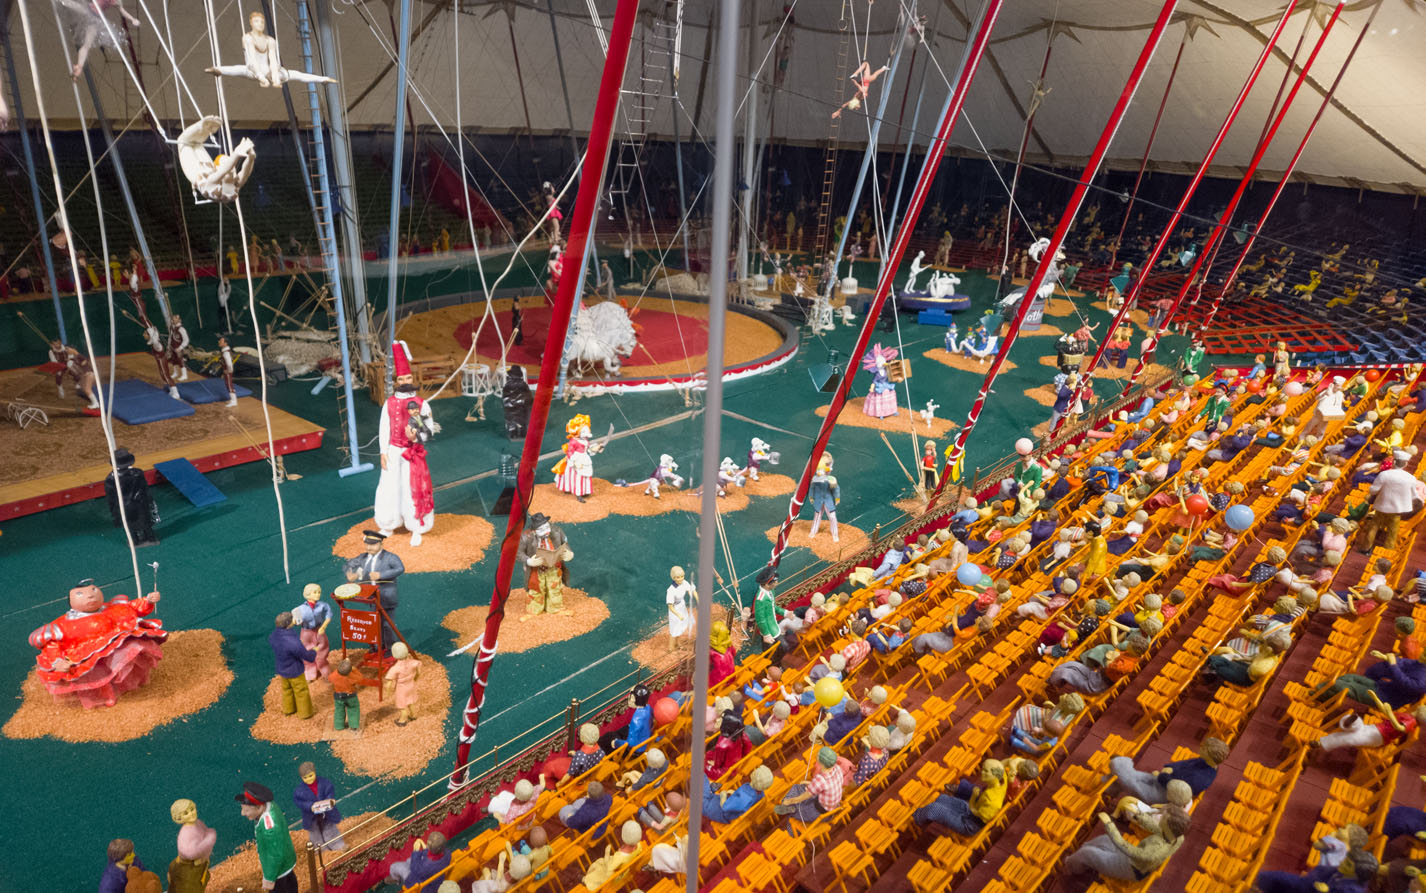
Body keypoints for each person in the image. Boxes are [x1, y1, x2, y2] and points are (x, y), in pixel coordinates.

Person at [28, 578, 166, 708]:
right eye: (80, 594)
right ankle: (105, 696)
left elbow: (133, 607)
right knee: (95, 676)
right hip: (84, 657)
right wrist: (57, 661)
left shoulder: (114, 608)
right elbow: (52, 644)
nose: (90, 596)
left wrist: (148, 601)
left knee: (131, 651)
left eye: (93, 590)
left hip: (114, 647)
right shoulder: (62, 626)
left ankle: (131, 682)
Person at [374, 342, 437, 545]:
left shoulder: (422, 404)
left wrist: (415, 438)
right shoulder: (389, 403)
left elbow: (429, 431)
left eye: (408, 378)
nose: (405, 382)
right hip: (393, 451)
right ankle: (388, 523)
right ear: (396, 381)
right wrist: (383, 451)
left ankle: (417, 527)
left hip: (412, 453)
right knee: (388, 486)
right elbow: (384, 428)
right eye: (401, 379)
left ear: (412, 378)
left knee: (413, 488)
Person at [205, 11, 336, 85]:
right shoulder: (248, 38)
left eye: (262, 22)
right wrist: (261, 77)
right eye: (257, 21)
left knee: (295, 74)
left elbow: (273, 60)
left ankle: (322, 79)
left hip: (268, 70)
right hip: (252, 70)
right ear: (251, 23)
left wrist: (274, 76)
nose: (260, 24)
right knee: (238, 69)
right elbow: (251, 61)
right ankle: (218, 70)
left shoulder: (270, 40)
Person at [1064, 805, 1191, 881]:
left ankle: (1070, 866)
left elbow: (1128, 849)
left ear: (1168, 826)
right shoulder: (1177, 836)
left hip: (1130, 868)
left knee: (1087, 853)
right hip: (1134, 861)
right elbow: (1157, 828)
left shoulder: (1156, 851)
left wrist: (1109, 825)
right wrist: (1140, 816)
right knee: (1104, 839)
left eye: (1162, 818)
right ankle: (1082, 859)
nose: (1159, 818)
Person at [1111, 737, 1229, 802]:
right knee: (1135, 776)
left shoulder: (1201, 779)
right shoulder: (1204, 761)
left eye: (1204, 749)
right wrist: (1170, 768)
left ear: (1210, 756)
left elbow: (1175, 788)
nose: (1200, 748)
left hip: (1165, 795)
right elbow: (1182, 764)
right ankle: (1110, 781)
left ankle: (1118, 763)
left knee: (1130, 782)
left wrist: (1164, 775)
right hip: (1163, 780)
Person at [343, 529, 406, 650]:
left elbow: (400, 569)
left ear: (381, 544)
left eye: (372, 544)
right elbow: (349, 565)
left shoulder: (390, 557)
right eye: (367, 544)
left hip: (386, 596)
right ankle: (378, 646)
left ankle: (390, 648)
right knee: (374, 622)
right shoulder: (363, 557)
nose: (369, 547)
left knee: (387, 624)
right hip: (371, 597)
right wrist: (351, 574)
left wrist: (381, 575)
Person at [913, 758, 1008, 835]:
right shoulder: (1002, 780)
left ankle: (914, 818)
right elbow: (1004, 763)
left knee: (934, 809)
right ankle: (924, 816)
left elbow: (976, 812)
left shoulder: (990, 800)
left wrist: (973, 797)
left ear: (995, 774)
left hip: (971, 825)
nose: (982, 772)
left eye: (986, 771)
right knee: (942, 798)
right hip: (972, 813)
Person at [235, 782, 298, 893]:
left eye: (246, 810)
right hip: (286, 862)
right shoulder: (270, 806)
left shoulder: (269, 827)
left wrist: (269, 878)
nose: (242, 813)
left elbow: (275, 855)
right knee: (290, 884)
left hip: (278, 871)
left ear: (259, 807)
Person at [516, 513, 574, 618]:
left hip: (554, 566)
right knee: (535, 590)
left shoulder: (556, 531)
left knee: (555, 588)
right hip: (536, 570)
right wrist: (528, 561)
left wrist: (569, 553)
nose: (547, 531)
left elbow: (565, 544)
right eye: (542, 529)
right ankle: (534, 611)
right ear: (534, 531)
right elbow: (518, 553)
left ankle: (555, 608)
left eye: (547, 526)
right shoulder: (525, 537)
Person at [1361, 461, 1422, 552]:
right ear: (1405, 464)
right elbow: (1414, 495)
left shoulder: (1384, 474)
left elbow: (1373, 490)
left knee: (1374, 526)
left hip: (1382, 506)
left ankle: (1366, 548)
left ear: (1393, 464)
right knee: (1392, 531)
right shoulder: (1410, 478)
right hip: (1397, 509)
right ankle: (1388, 550)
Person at [104, 447, 159, 547]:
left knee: (130, 526)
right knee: (145, 523)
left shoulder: (110, 478)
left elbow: (111, 496)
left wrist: (114, 509)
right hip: (139, 504)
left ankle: (135, 541)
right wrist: (149, 501)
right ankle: (150, 538)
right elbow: (144, 489)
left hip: (124, 507)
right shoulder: (137, 473)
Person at [776, 747, 845, 822]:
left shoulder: (820, 779)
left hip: (820, 813)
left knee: (796, 795)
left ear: (821, 762)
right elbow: (828, 785)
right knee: (802, 787)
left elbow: (801, 798)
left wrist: (790, 801)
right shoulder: (838, 768)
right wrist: (810, 783)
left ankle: (791, 809)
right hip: (833, 807)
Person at [268, 612, 317, 719]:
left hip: (282, 668)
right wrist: (313, 652)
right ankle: (305, 713)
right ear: (289, 624)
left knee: (287, 690)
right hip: (294, 670)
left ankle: (288, 709)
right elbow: (304, 654)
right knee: (301, 691)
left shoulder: (273, 636)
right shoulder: (292, 642)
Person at [293, 761, 344, 852]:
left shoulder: (325, 783)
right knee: (315, 834)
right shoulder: (299, 791)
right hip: (311, 816)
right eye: (305, 777)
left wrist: (330, 800)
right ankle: (321, 850)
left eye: (310, 776)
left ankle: (337, 844)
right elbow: (299, 802)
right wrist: (310, 806)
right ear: (301, 778)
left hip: (327, 813)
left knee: (330, 829)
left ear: (315, 773)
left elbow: (330, 792)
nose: (309, 779)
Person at [168, 799, 217, 893]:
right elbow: (190, 853)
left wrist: (209, 837)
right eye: (186, 813)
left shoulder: (198, 823)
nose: (191, 814)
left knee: (200, 884)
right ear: (179, 818)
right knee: (190, 888)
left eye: (192, 809)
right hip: (189, 868)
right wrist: (209, 840)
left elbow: (206, 832)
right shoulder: (185, 833)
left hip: (200, 865)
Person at [553, 414, 601, 501]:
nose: (586, 434)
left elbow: (588, 449)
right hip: (577, 460)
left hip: (585, 459)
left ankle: (585, 490)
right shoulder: (574, 442)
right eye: (583, 432)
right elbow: (570, 452)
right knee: (578, 477)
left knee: (585, 475)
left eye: (587, 431)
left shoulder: (585, 440)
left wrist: (597, 448)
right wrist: (575, 462)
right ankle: (578, 494)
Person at [384, 642, 421, 725]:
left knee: (402, 705)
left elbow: (389, 683)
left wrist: (388, 692)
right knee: (410, 701)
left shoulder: (395, 668)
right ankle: (413, 715)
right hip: (411, 685)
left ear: (394, 655)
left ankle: (402, 720)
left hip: (401, 688)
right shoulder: (414, 662)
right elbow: (418, 673)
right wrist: (415, 679)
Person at [808, 454, 841, 542]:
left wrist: (837, 498)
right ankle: (813, 531)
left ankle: (835, 534)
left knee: (832, 517)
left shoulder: (831, 479)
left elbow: (836, 489)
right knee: (817, 517)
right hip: (818, 500)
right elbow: (812, 488)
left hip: (828, 501)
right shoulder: (815, 479)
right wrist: (811, 496)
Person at [666, 565, 695, 650]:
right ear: (674, 578)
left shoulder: (684, 583)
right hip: (675, 610)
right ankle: (671, 647)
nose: (681, 579)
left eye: (682, 576)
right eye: (678, 577)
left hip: (682, 606)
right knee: (674, 629)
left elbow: (690, 590)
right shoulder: (671, 590)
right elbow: (670, 606)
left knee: (680, 626)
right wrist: (678, 615)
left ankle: (678, 643)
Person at [501, 366, 533, 440]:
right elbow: (528, 395)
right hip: (519, 405)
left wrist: (512, 401)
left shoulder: (509, 384)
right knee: (520, 420)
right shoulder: (522, 384)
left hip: (515, 406)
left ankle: (516, 432)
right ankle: (519, 432)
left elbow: (505, 395)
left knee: (515, 419)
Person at [217, 335, 238, 406]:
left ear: (225, 343)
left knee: (229, 384)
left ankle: (234, 401)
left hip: (228, 371)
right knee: (228, 384)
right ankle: (232, 399)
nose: (219, 342)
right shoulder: (224, 351)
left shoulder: (226, 353)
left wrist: (229, 371)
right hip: (227, 370)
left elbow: (229, 364)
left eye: (221, 341)